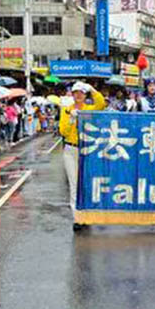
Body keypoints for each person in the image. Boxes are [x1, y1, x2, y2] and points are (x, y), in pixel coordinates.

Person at [59, 81, 106, 230]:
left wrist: (91, 88)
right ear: (72, 95)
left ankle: (86, 215)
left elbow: (101, 104)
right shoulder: (66, 110)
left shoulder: (89, 109)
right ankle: (77, 218)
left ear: (85, 95)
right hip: (71, 150)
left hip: (87, 150)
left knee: (86, 183)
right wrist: (72, 119)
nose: (78, 95)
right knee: (74, 184)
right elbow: (63, 132)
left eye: (81, 92)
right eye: (76, 92)